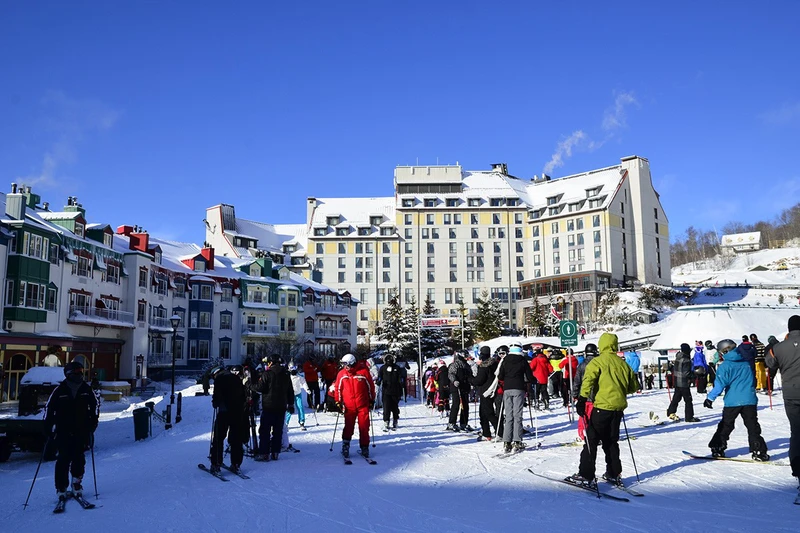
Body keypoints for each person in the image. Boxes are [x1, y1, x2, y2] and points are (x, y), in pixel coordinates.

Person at [568, 333, 639, 487]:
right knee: (611, 441)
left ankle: (586, 474)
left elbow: (588, 381)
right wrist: (618, 391)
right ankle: (614, 473)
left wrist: (581, 399)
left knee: (591, 440)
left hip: (601, 407)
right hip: (618, 408)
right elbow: (633, 387)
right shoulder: (623, 364)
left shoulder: (598, 362)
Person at [704, 339, 769, 461]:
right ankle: (759, 450)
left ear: (724, 351)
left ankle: (718, 448)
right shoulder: (746, 363)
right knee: (752, 426)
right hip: (749, 400)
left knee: (726, 425)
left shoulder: (725, 367)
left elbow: (719, 385)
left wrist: (709, 398)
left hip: (732, 401)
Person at [44, 361, 99, 501]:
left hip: (81, 430)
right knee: (63, 459)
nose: (79, 374)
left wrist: (93, 424)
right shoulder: (60, 390)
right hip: (63, 430)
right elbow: (49, 409)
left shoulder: (86, 389)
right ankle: (61, 487)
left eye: (81, 371)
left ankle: (76, 483)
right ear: (68, 374)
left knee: (79, 458)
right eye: (76, 372)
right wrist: (49, 427)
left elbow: (95, 407)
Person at [765, 315, 800, 486]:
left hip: (791, 393)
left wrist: (773, 346)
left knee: (797, 433)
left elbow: (769, 364)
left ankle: (798, 470)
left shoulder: (779, 347)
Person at [251, 354, 294, 461]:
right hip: (281, 406)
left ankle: (264, 453)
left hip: (268, 406)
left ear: (271, 363)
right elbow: (290, 391)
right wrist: (291, 404)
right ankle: (275, 452)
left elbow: (260, 388)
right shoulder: (286, 374)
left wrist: (249, 385)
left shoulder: (267, 374)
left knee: (265, 430)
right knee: (277, 430)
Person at [335, 354, 375, 458]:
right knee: (348, 426)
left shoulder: (363, 372)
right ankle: (345, 445)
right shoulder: (342, 374)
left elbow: (370, 386)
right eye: (343, 364)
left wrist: (371, 400)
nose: (345, 367)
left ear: (352, 363)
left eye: (346, 364)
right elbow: (338, 388)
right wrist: (338, 401)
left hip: (362, 405)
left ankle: (364, 447)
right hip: (349, 406)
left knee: (364, 426)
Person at [497, 346, 534, 452]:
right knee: (517, 415)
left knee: (508, 415)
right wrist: (533, 381)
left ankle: (507, 442)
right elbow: (529, 375)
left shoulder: (505, 360)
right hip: (518, 388)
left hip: (507, 389)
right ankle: (517, 441)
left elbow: (500, 376)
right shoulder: (522, 360)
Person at [210, 366, 246, 473]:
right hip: (237, 412)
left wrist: (215, 403)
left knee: (218, 437)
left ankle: (216, 463)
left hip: (224, 411)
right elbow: (242, 394)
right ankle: (236, 464)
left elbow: (217, 396)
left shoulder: (219, 379)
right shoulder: (236, 378)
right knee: (236, 438)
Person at [470, 346, 498, 441]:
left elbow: (479, 380)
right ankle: (487, 433)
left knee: (488, 413)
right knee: (484, 412)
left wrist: (470, 379)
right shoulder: (495, 363)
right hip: (493, 389)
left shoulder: (484, 366)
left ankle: (500, 431)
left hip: (485, 391)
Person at [667, 344, 700, 422]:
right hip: (684, 382)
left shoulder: (678, 357)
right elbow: (686, 373)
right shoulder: (686, 360)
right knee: (688, 400)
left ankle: (670, 411)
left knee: (676, 398)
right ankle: (689, 417)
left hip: (677, 381)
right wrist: (694, 375)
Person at [573, 343, 598, 441]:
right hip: (595, 395)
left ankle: (582, 433)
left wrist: (575, 394)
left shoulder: (581, 365)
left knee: (583, 415)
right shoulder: (598, 364)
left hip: (583, 395)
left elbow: (577, 381)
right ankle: (594, 434)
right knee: (594, 416)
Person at [447, 351, 473, 431]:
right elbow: (450, 374)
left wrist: (472, 382)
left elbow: (470, 375)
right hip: (456, 387)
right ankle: (451, 423)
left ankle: (464, 423)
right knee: (456, 404)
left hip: (465, 387)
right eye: (465, 356)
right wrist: (454, 380)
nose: (467, 357)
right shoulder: (455, 364)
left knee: (465, 405)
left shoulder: (467, 365)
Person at [377, 354, 404, 430]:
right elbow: (380, 377)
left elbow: (400, 377)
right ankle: (386, 421)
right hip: (386, 391)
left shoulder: (397, 368)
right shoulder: (383, 368)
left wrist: (401, 382)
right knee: (386, 407)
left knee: (395, 407)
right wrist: (378, 381)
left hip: (395, 390)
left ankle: (395, 420)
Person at [287, 365, 311, 431]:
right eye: (292, 370)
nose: (293, 372)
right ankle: (286, 423)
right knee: (289, 408)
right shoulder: (287, 376)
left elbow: (303, 383)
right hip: (290, 394)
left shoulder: (299, 376)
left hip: (298, 393)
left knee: (300, 407)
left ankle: (301, 422)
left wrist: (307, 389)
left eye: (294, 370)